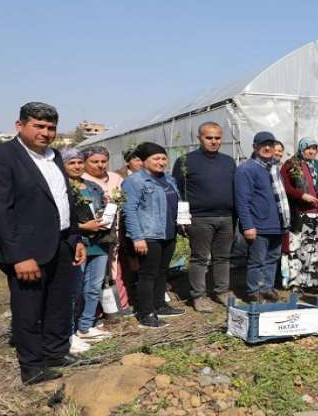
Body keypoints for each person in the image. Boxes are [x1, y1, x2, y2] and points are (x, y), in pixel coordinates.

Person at [0, 102, 86, 384]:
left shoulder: (55, 157)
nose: (46, 132)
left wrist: (75, 237)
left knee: (59, 303)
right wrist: (19, 256)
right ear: (20, 126)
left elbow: (65, 201)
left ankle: (55, 352)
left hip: (62, 243)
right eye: (38, 126)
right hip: (27, 250)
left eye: (51, 127)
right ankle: (32, 366)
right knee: (29, 309)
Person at [172, 122, 236, 312]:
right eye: (209, 137)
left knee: (223, 257)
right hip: (200, 218)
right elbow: (177, 190)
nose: (214, 141)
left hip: (226, 217)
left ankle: (222, 291)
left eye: (217, 138)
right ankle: (198, 296)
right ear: (199, 138)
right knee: (200, 258)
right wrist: (182, 218)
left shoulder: (228, 161)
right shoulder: (185, 161)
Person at [122, 142, 185, 328]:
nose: (161, 162)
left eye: (164, 158)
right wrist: (137, 237)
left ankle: (160, 305)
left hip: (168, 231)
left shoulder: (169, 179)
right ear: (143, 161)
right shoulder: (135, 181)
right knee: (147, 274)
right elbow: (129, 210)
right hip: (149, 234)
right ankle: (146, 313)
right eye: (156, 158)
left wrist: (182, 222)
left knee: (162, 271)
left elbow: (176, 203)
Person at [62, 148, 113, 347]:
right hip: (77, 242)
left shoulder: (93, 186)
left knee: (94, 286)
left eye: (79, 162)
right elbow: (61, 218)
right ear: (63, 165)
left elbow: (101, 209)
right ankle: (69, 331)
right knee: (75, 289)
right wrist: (83, 227)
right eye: (71, 163)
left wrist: (106, 213)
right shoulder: (62, 188)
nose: (77, 166)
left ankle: (86, 325)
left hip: (98, 242)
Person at [280, 138, 318, 299]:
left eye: (314, 149)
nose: (312, 152)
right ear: (301, 149)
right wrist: (301, 195)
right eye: (308, 148)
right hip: (301, 214)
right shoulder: (291, 164)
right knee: (301, 249)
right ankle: (297, 283)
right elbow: (285, 187)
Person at [235, 132, 290, 302]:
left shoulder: (273, 168)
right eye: (263, 145)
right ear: (255, 147)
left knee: (272, 258)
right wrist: (247, 225)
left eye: (271, 145)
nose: (267, 148)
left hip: (277, 223)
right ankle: (254, 291)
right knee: (257, 260)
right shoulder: (246, 169)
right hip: (258, 224)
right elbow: (242, 201)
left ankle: (266, 287)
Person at [82, 145, 132, 317]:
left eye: (103, 161)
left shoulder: (115, 178)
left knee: (115, 266)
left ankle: (119, 305)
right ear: (85, 162)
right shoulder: (81, 180)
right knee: (95, 272)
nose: (100, 165)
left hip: (116, 229)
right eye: (94, 161)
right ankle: (94, 310)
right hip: (94, 233)